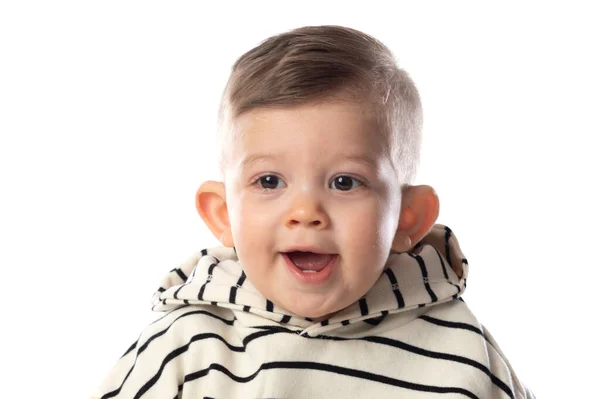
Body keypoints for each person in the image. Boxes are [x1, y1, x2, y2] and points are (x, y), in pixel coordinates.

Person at [92, 25, 535, 398]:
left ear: (407, 219)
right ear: (223, 213)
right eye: (269, 182)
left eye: (345, 182)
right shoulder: (186, 349)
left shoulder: (464, 353)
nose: (305, 212)